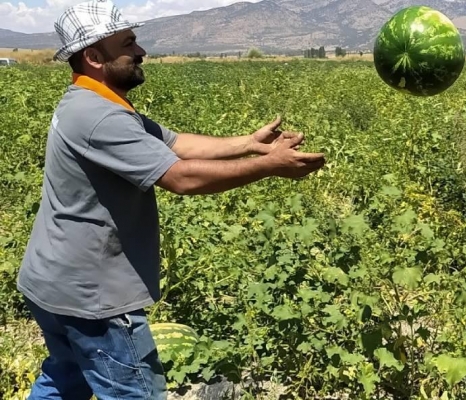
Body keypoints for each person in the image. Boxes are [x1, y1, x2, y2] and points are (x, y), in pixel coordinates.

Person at [16, 0, 326, 398]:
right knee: (135, 392)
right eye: (128, 44)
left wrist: (250, 145)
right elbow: (181, 177)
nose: (141, 51)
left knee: (66, 377)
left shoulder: (92, 102)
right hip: (93, 296)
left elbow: (176, 143)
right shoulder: (101, 118)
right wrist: (270, 167)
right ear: (94, 57)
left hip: (54, 282)